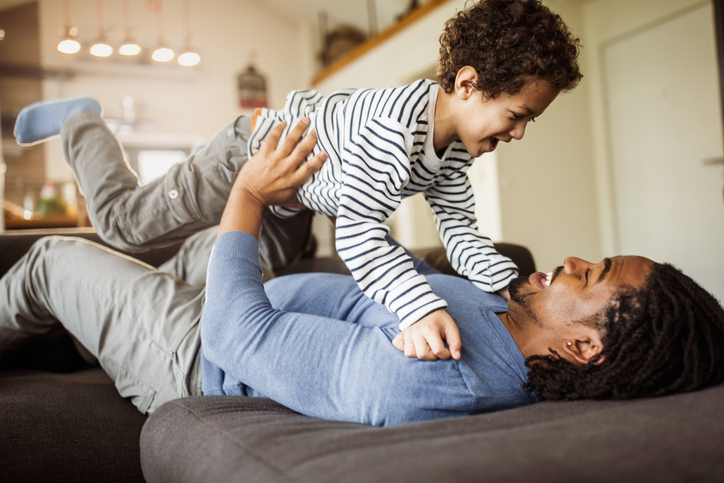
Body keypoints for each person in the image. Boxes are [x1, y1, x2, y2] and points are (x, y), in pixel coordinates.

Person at [2, 120, 723, 427]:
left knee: (51, 258)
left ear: (584, 347)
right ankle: (86, 137)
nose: (568, 261)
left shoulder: (439, 375)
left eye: (587, 273)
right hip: (243, 289)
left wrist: (247, 195)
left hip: (199, 350)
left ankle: (86, 141)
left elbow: (235, 333)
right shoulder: (508, 312)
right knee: (269, 183)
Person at [13, 0, 582, 361]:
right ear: (467, 83)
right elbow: (358, 237)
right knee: (122, 227)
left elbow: (459, 226)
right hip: (251, 153)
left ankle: (173, 267)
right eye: (518, 115)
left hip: (297, 195)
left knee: (262, 268)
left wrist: (508, 290)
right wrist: (416, 306)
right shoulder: (391, 133)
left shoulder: (456, 147)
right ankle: (82, 120)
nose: (521, 133)